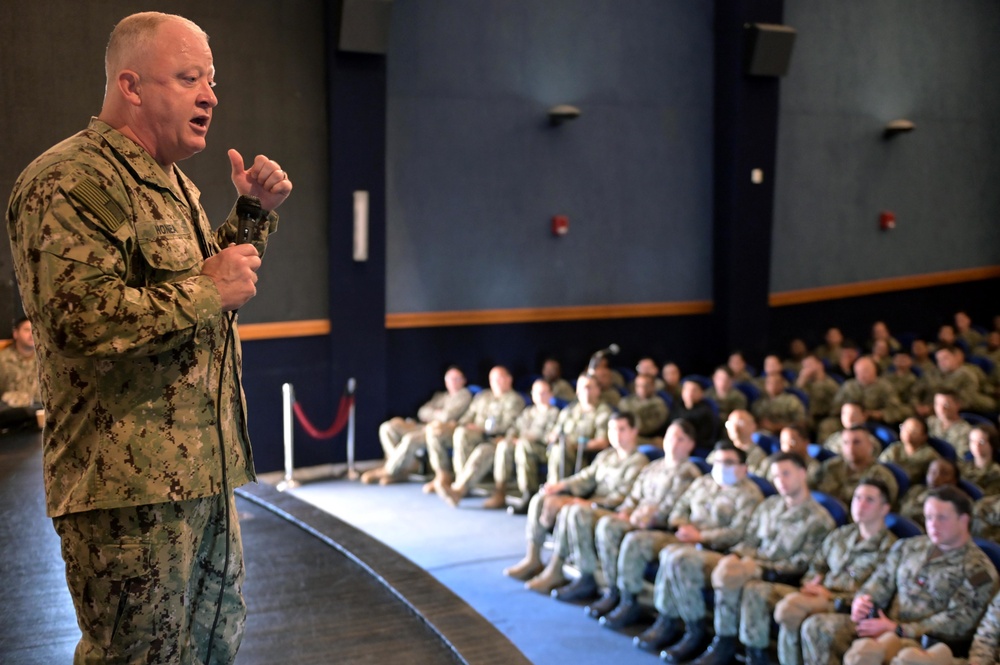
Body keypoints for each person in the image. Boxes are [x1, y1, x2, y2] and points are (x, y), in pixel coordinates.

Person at [5, 12, 293, 664]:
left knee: (212, 649)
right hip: (125, 497)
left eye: (211, 81)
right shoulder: (67, 182)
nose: (211, 96)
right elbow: (78, 322)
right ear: (131, 87)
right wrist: (206, 288)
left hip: (202, 477)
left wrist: (250, 217)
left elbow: (199, 302)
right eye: (190, 78)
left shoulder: (171, 183)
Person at [659, 453, 836, 664]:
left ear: (802, 473)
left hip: (777, 574)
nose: (781, 481)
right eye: (776, 476)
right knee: (686, 559)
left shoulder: (819, 519)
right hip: (749, 563)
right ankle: (705, 635)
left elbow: (802, 563)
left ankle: (732, 646)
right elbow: (749, 541)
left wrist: (757, 566)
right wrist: (738, 556)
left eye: (786, 474)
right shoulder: (770, 506)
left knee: (733, 576)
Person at [801, 486, 999, 665]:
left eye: (941, 518)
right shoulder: (909, 546)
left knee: (869, 654)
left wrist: (900, 629)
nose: (933, 525)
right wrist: (864, 600)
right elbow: (880, 580)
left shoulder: (979, 570)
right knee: (817, 627)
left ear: (964, 520)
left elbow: (958, 622)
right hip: (883, 622)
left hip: (923, 641)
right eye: (929, 517)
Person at [605, 442, 763, 649]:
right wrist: (682, 524)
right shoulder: (704, 483)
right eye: (717, 461)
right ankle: (635, 604)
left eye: (729, 462)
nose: (722, 466)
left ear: (744, 468)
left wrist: (701, 536)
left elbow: (739, 533)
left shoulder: (750, 495)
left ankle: (693, 629)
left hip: (716, 549)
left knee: (677, 558)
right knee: (639, 541)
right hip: (685, 537)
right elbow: (680, 507)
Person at [737, 479, 896, 665]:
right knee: (757, 590)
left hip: (843, 605)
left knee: (792, 610)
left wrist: (831, 596)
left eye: (869, 500)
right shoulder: (842, 534)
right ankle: (757, 658)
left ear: (884, 508)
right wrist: (813, 582)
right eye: (857, 498)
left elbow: (877, 596)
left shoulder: (890, 547)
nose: (860, 504)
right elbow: (817, 565)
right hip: (817, 593)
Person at [550, 418, 700, 604]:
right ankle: (610, 588)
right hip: (637, 518)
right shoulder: (654, 467)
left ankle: (628, 599)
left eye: (680, 439)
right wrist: (627, 511)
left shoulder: (689, 472)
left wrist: (646, 516)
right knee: (607, 524)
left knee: (616, 530)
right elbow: (634, 496)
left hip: (659, 527)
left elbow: (674, 506)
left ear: (691, 445)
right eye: (670, 437)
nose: (673, 443)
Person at [502, 412, 648, 592]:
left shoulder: (638, 462)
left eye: (622, 429)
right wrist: (560, 486)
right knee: (540, 498)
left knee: (572, 510)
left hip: (611, 510)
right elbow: (585, 477)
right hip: (590, 504)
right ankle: (533, 558)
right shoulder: (607, 455)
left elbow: (622, 498)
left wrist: (583, 502)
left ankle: (556, 569)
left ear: (634, 431)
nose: (616, 434)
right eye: (611, 429)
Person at [426, 365, 525, 505]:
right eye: (492, 378)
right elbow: (468, 416)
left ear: (509, 379)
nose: (495, 381)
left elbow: (508, 424)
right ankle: (450, 478)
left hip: (496, 439)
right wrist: (464, 425)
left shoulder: (515, 400)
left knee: (482, 451)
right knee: (458, 433)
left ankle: (459, 489)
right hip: (475, 434)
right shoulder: (483, 396)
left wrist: (482, 428)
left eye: (499, 378)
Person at [363, 365, 472, 485]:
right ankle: (401, 469)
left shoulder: (464, 395)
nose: (453, 382)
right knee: (387, 428)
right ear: (445, 381)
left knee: (411, 439)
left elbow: (447, 416)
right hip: (423, 426)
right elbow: (422, 411)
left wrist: (434, 413)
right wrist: (437, 413)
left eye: (457, 378)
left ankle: (389, 470)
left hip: (440, 431)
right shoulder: (440, 396)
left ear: (463, 380)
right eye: (450, 378)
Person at [481, 378, 560, 509]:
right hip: (521, 444)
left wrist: (524, 439)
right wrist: (511, 438)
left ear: (551, 394)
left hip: (542, 449)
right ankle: (500, 490)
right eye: (536, 393)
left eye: (544, 392)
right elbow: (515, 428)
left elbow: (550, 437)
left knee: (523, 446)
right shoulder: (528, 412)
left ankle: (528, 493)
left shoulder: (555, 413)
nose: (540, 396)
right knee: (504, 445)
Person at [543, 373, 614, 482]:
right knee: (557, 448)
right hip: (562, 451)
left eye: (589, 387)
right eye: (582, 388)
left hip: (585, 455)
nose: (585, 391)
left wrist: (575, 445)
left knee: (559, 450)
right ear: (577, 391)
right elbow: (555, 432)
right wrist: (554, 437)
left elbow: (602, 442)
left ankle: (555, 488)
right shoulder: (569, 410)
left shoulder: (603, 412)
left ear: (597, 390)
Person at [815, 425, 900, 508]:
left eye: (856, 442)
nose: (850, 447)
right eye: (846, 442)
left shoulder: (881, 476)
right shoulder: (830, 467)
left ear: (870, 445)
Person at [0, 316, 42, 429]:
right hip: (11, 419)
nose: (31, 334)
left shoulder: (46, 361)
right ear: (16, 333)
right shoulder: (3, 360)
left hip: (40, 417)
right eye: (27, 330)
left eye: (35, 330)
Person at [897, 458, 960, 529]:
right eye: (933, 472)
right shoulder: (916, 490)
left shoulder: (954, 505)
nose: (936, 478)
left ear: (954, 481)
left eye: (944, 474)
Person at [878, 416, 940, 487]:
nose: (908, 433)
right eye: (905, 428)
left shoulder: (930, 455)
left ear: (924, 436)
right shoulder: (895, 448)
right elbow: (881, 464)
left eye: (913, 430)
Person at [618, 373, 669, 443]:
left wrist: (627, 426)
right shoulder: (626, 401)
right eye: (638, 385)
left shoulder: (659, 405)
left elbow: (647, 428)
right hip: (626, 434)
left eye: (646, 386)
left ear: (653, 386)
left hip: (647, 439)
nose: (642, 388)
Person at [671, 378, 719, 452]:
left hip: (697, 447)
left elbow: (705, 437)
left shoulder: (705, 411)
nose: (690, 393)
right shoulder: (676, 406)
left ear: (701, 393)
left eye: (694, 390)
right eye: (687, 389)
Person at [927, 389, 973, 458]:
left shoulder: (965, 431)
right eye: (937, 404)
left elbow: (961, 458)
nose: (941, 408)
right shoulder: (930, 422)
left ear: (957, 405)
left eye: (946, 405)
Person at [959, 424, 1000, 497]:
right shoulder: (963, 466)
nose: (976, 446)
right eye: (972, 441)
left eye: (981, 442)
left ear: (992, 444)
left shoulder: (996, 473)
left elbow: (987, 499)